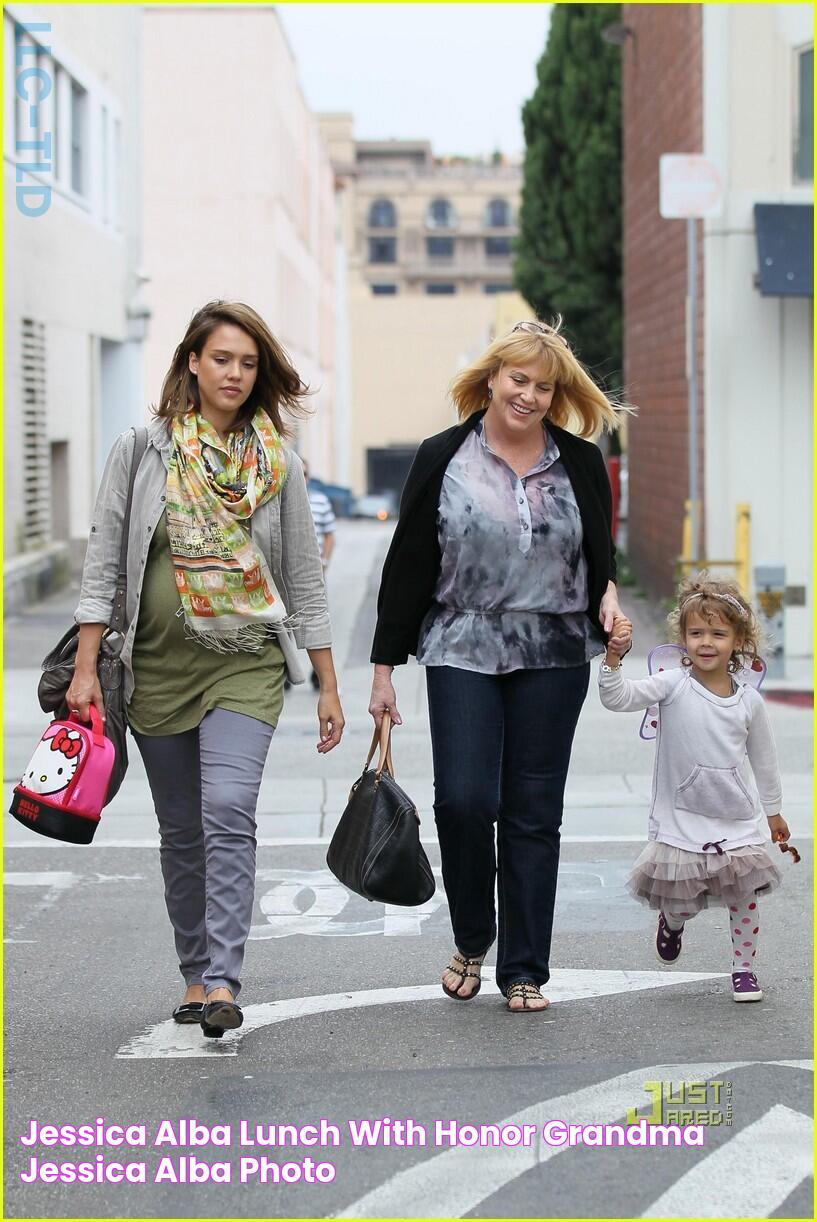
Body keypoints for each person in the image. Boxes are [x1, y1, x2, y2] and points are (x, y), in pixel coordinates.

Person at [68, 300, 345, 1037]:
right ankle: (193, 973)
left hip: (244, 663)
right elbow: (104, 564)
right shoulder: (142, 449)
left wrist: (326, 680)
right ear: (193, 361)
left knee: (227, 809)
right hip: (156, 667)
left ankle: (223, 978)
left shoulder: (278, 462)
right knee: (181, 830)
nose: (235, 373)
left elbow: (301, 578)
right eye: (222, 358)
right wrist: (88, 664)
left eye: (249, 363)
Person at [368, 319, 630, 1012]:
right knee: (463, 800)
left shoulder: (576, 460)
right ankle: (471, 935)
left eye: (543, 387)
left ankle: (523, 969)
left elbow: (599, 554)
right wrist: (383, 667)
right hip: (461, 642)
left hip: (553, 650)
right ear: (490, 379)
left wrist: (607, 596)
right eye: (518, 380)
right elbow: (407, 566)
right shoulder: (442, 456)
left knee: (532, 812)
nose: (529, 395)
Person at [599, 577, 790, 1002]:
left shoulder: (748, 702)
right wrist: (613, 660)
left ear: (739, 640)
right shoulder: (672, 684)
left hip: (735, 818)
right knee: (684, 899)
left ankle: (744, 970)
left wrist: (774, 812)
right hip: (682, 817)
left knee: (744, 897)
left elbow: (765, 760)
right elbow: (618, 698)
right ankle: (673, 920)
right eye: (696, 633)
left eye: (719, 634)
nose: (706, 642)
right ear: (682, 638)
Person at [303, 459, 336, 690]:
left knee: (316, 620)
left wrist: (324, 562)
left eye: (305, 473)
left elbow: (329, 535)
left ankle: (318, 674)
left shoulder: (320, 501)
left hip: (314, 570)